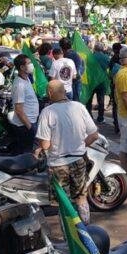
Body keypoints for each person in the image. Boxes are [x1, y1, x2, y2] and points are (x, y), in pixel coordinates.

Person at [35, 80, 98, 223]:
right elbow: (94, 135)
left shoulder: (47, 112)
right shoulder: (79, 107)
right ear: (64, 91)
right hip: (79, 161)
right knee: (81, 198)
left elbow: (45, 145)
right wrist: (80, 146)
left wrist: (41, 146)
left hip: (58, 165)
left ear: (50, 93)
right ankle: (86, 229)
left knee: (63, 203)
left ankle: (69, 237)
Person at [9, 54, 40, 153]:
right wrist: (30, 127)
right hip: (25, 125)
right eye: (29, 63)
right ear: (22, 67)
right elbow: (19, 110)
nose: (31, 65)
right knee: (27, 153)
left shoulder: (26, 79)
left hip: (31, 121)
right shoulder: (19, 85)